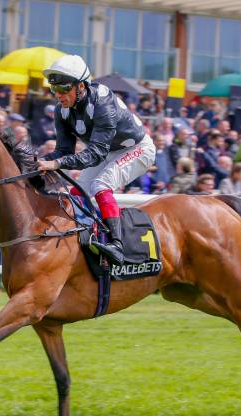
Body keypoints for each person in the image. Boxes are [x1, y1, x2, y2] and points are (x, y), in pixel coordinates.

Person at [37, 55, 156, 265]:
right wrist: (38, 161)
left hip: (139, 148)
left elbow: (95, 154)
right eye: (54, 90)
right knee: (77, 192)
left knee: (101, 185)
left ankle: (117, 246)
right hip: (109, 150)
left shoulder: (103, 102)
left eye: (64, 89)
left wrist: (56, 164)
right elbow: (64, 150)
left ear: (81, 86)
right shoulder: (61, 111)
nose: (58, 95)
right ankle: (81, 238)